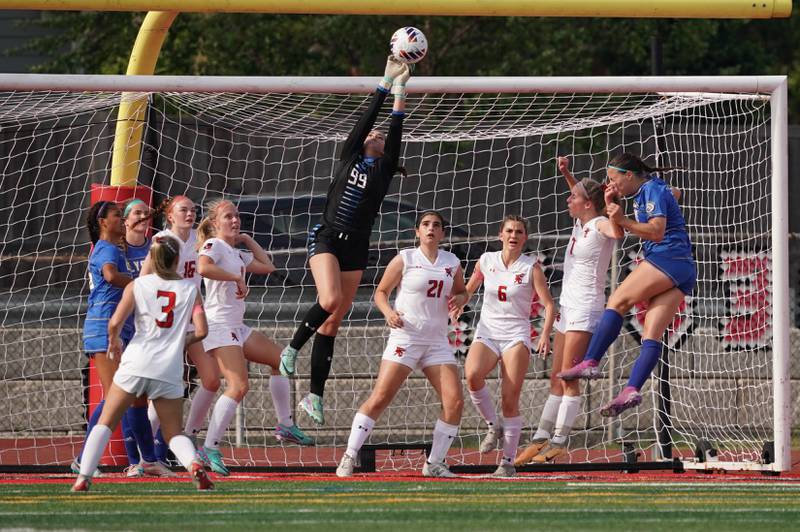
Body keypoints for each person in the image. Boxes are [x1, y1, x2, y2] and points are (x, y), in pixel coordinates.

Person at [278, 56, 412, 426]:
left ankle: (314, 397)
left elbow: (395, 128)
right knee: (330, 299)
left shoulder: (384, 170)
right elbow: (366, 121)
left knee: (333, 321)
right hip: (327, 238)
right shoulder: (350, 155)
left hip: (357, 246)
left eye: (379, 137)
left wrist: (402, 91)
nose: (375, 135)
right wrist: (386, 83)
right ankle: (290, 350)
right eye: (373, 135)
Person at [558, 153, 696, 417]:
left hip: (667, 258)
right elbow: (674, 194)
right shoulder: (654, 190)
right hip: (683, 267)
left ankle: (591, 361)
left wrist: (623, 220)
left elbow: (656, 231)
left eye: (614, 179)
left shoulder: (651, 189)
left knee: (618, 301)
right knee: (650, 335)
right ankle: (631, 389)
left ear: (629, 175)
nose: (612, 184)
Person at [71, 235, 213, 492]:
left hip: (137, 362)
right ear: (177, 261)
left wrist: (114, 341)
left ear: (152, 259)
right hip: (169, 368)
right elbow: (202, 331)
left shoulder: (137, 286)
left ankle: (83, 477)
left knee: (106, 421)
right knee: (173, 433)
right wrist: (180, 339)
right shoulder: (191, 290)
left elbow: (114, 323)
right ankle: (193, 464)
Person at [336, 211, 468, 478]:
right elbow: (381, 293)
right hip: (406, 336)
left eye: (437, 226)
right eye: (426, 225)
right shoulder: (405, 258)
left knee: (454, 402)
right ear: (417, 232)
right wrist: (389, 313)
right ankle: (349, 456)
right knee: (381, 396)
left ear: (442, 233)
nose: (431, 229)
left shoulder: (451, 262)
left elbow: (461, 291)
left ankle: (435, 463)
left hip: (436, 341)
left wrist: (461, 299)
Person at [515, 157, 622, 465]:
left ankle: (560, 442)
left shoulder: (600, 224)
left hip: (586, 308)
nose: (568, 199)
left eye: (573, 197)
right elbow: (580, 193)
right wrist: (566, 173)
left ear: (588, 203)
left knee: (568, 377)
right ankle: (540, 439)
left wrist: (613, 204)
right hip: (567, 306)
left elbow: (618, 233)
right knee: (555, 377)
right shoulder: (581, 222)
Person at [196, 199, 312, 477]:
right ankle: (209, 447)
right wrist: (235, 278)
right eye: (228, 217)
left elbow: (268, 265)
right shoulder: (213, 245)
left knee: (281, 360)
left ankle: (285, 424)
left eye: (236, 216)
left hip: (237, 326)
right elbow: (203, 268)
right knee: (238, 386)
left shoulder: (235, 251)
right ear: (214, 223)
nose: (234, 221)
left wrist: (246, 239)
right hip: (219, 326)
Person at [456, 215, 556, 477]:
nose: (513, 235)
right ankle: (493, 426)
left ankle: (508, 462)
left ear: (525, 237)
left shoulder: (530, 267)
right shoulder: (486, 261)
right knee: (472, 375)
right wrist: (455, 301)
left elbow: (548, 304)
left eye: (519, 232)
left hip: (516, 336)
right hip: (488, 332)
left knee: (509, 399)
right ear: (500, 234)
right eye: (509, 231)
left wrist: (545, 334)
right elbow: (468, 289)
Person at [71, 200, 165, 478]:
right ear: (103, 222)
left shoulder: (117, 249)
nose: (121, 220)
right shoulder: (107, 248)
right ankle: (84, 460)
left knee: (131, 396)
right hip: (103, 327)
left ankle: (146, 460)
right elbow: (111, 276)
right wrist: (143, 283)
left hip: (119, 328)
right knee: (119, 396)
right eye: (116, 215)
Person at [139, 196, 223, 461]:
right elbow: (143, 280)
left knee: (211, 379)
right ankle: (143, 458)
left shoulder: (199, 241)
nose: (190, 213)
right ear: (170, 216)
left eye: (193, 209)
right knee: (166, 386)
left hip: (192, 319)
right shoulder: (163, 241)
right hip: (168, 323)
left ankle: (190, 434)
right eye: (183, 209)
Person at [117, 198, 174, 477]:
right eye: (135, 213)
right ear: (125, 220)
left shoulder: (157, 247)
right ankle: (133, 461)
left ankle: (156, 457)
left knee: (164, 393)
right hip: (128, 331)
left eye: (144, 212)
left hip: (155, 331)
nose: (141, 216)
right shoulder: (115, 250)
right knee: (128, 397)